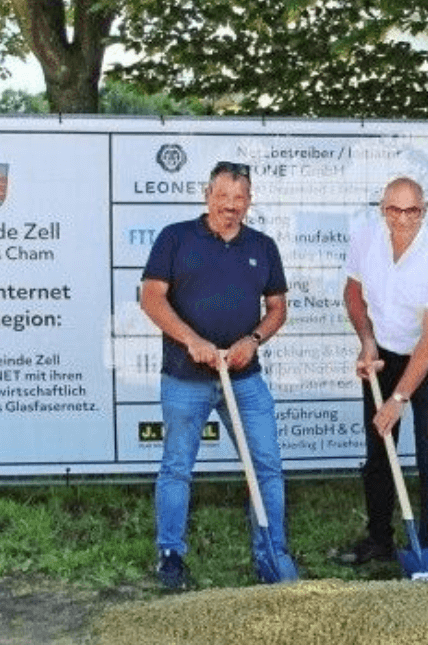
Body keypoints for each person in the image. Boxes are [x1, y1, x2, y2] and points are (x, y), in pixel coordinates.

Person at [140, 161, 295, 590]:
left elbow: (278, 308)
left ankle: (273, 554)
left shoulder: (262, 246)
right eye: (222, 197)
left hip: (244, 378)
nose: (230, 206)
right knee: (176, 468)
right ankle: (170, 556)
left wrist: (254, 339)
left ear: (249, 200)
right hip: (185, 378)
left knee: (266, 466)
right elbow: (151, 299)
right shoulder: (175, 238)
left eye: (239, 198)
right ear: (207, 194)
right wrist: (192, 340)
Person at [341, 176, 428, 564]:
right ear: (383, 209)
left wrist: (397, 398)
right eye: (395, 209)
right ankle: (379, 540)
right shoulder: (365, 238)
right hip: (382, 355)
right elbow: (353, 292)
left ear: (424, 211)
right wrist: (367, 341)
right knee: (378, 449)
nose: (403, 218)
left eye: (412, 210)